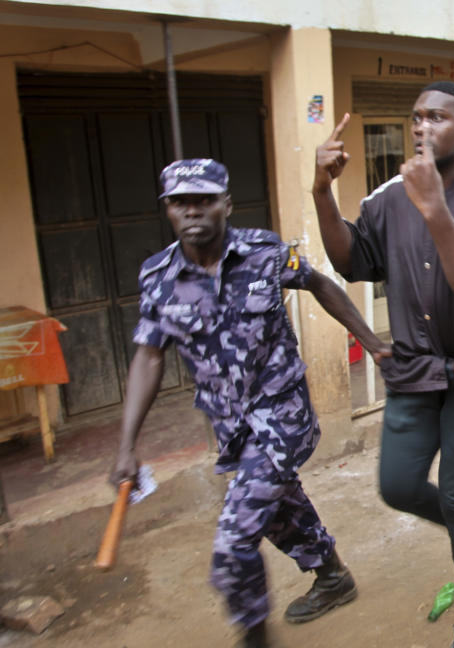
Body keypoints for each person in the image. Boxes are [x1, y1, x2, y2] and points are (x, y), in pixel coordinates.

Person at [108, 158, 391, 647]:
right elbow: (149, 356)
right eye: (180, 203)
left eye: (204, 200)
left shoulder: (263, 252)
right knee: (278, 510)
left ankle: (254, 635)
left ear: (226, 205)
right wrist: (126, 445)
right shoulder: (158, 277)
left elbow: (320, 284)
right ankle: (332, 575)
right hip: (232, 426)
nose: (192, 211)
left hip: (284, 413)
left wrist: (370, 340)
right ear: (168, 211)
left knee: (235, 539)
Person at [311, 81, 454, 648]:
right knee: (399, 486)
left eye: (436, 117)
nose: (422, 128)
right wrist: (321, 190)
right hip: (412, 373)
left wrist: (434, 211)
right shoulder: (388, 195)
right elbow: (350, 260)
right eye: (415, 118)